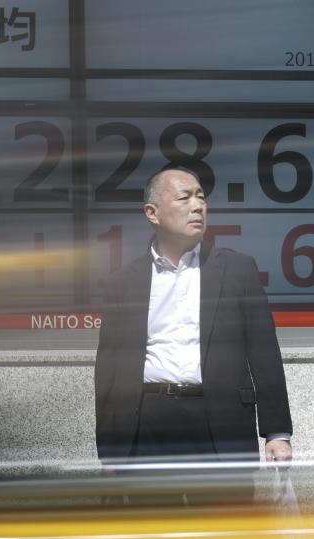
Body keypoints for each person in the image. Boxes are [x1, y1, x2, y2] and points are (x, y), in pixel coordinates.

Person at [94, 167, 293, 469]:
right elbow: (109, 369)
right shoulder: (123, 282)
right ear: (153, 212)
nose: (198, 206)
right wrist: (110, 451)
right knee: (153, 516)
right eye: (184, 198)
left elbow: (263, 353)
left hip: (220, 419)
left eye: (201, 197)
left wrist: (277, 433)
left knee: (223, 515)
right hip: (147, 420)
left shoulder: (237, 270)